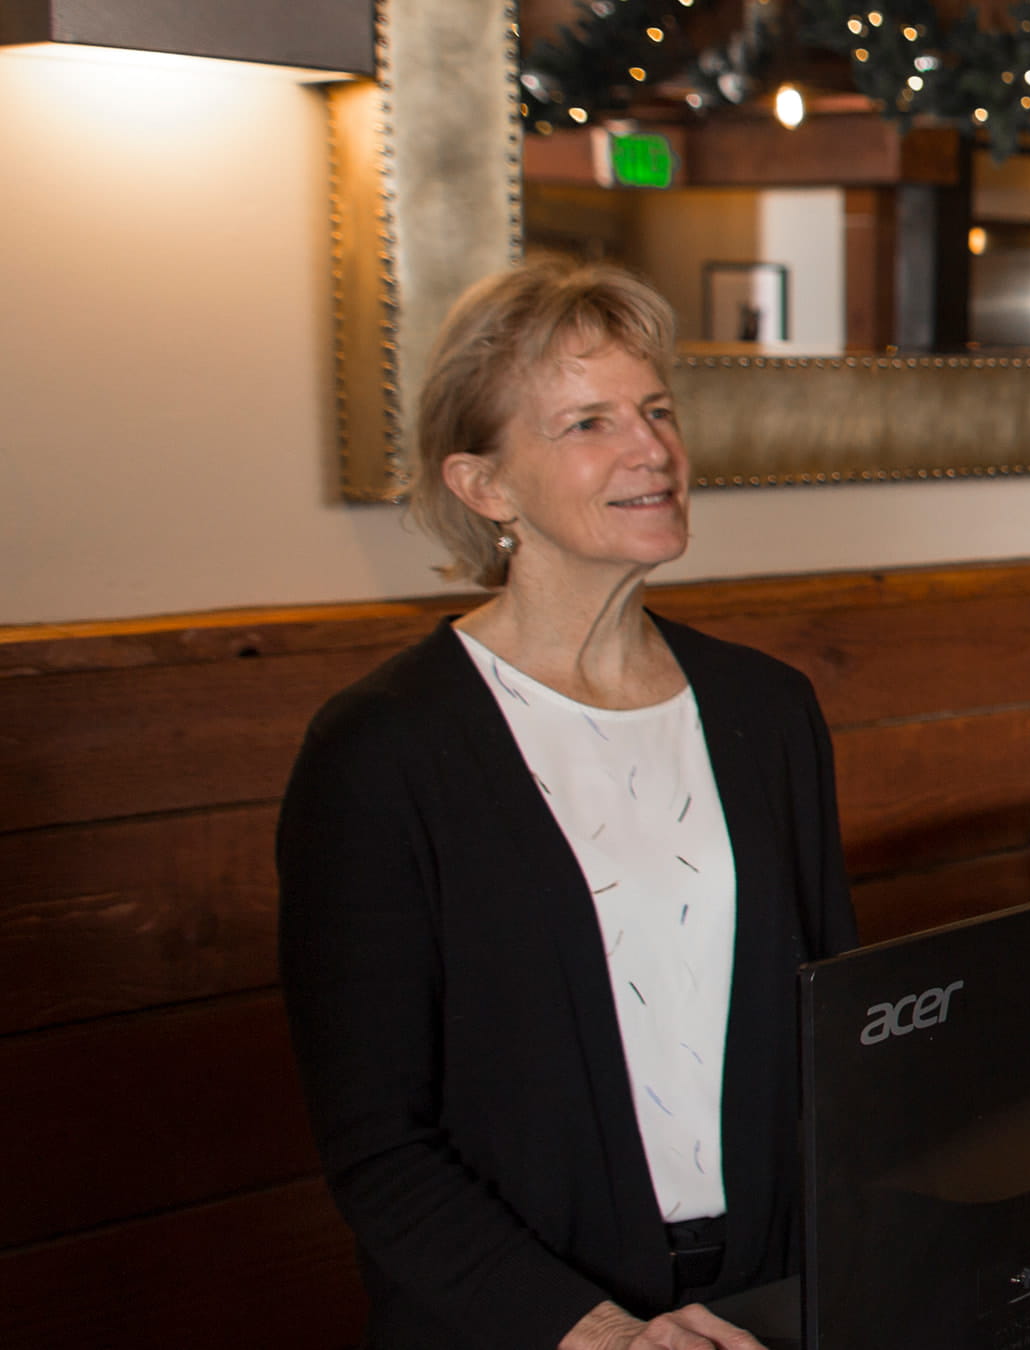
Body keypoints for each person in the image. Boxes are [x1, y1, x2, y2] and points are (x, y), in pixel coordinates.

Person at [279, 257, 858, 1350]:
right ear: (484, 487)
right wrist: (596, 1335)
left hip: (772, 1307)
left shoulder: (766, 709)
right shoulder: (381, 751)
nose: (652, 449)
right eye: (588, 423)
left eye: (655, 411)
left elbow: (835, 1043)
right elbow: (378, 1149)